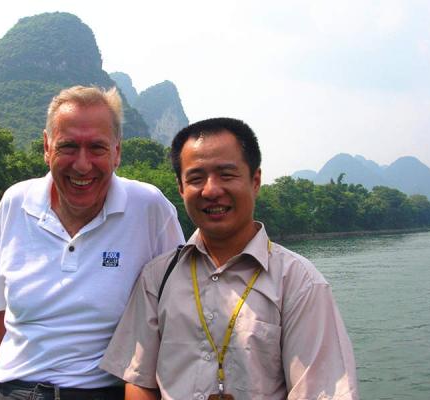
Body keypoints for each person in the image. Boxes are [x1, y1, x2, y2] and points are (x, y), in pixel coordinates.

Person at [100, 117, 359, 400]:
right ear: (181, 188)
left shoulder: (298, 283)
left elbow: (321, 392)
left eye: (226, 174)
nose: (211, 190)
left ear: (255, 180)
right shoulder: (157, 278)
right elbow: (139, 381)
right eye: (196, 178)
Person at [0, 86, 184, 400]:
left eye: (97, 148)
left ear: (117, 152)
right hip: (14, 391)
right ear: (47, 148)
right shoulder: (15, 203)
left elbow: (180, 317)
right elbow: (1, 312)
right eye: (68, 146)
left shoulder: (149, 208)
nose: (83, 165)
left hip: (103, 391)